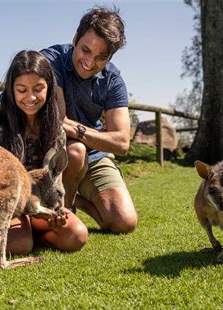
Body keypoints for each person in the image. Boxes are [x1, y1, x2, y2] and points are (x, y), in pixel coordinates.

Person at [0, 50, 88, 255]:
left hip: (39, 205)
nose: (31, 97)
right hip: (8, 203)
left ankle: (31, 232)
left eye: (38, 89)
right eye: (22, 90)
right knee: (20, 245)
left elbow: (56, 181)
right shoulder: (1, 129)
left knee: (76, 236)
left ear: (49, 88)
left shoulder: (56, 130)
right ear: (12, 90)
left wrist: (56, 212)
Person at [40, 6, 138, 234]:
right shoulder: (50, 61)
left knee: (125, 223)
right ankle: (66, 207)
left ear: (110, 57)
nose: (90, 62)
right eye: (85, 50)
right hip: (52, 147)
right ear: (75, 38)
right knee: (75, 152)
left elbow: (122, 143)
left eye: (101, 57)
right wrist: (97, 136)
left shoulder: (114, 81)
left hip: (94, 155)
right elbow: (58, 123)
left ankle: (76, 201)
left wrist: (82, 133)